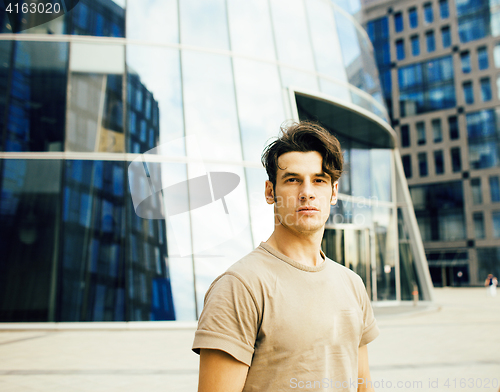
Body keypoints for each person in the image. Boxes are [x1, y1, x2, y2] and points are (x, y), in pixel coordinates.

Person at [192, 121, 379, 392]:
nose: (307, 193)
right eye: (293, 180)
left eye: (319, 180)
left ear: (333, 192)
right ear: (270, 192)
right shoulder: (239, 286)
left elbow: (363, 387)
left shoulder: (352, 283)